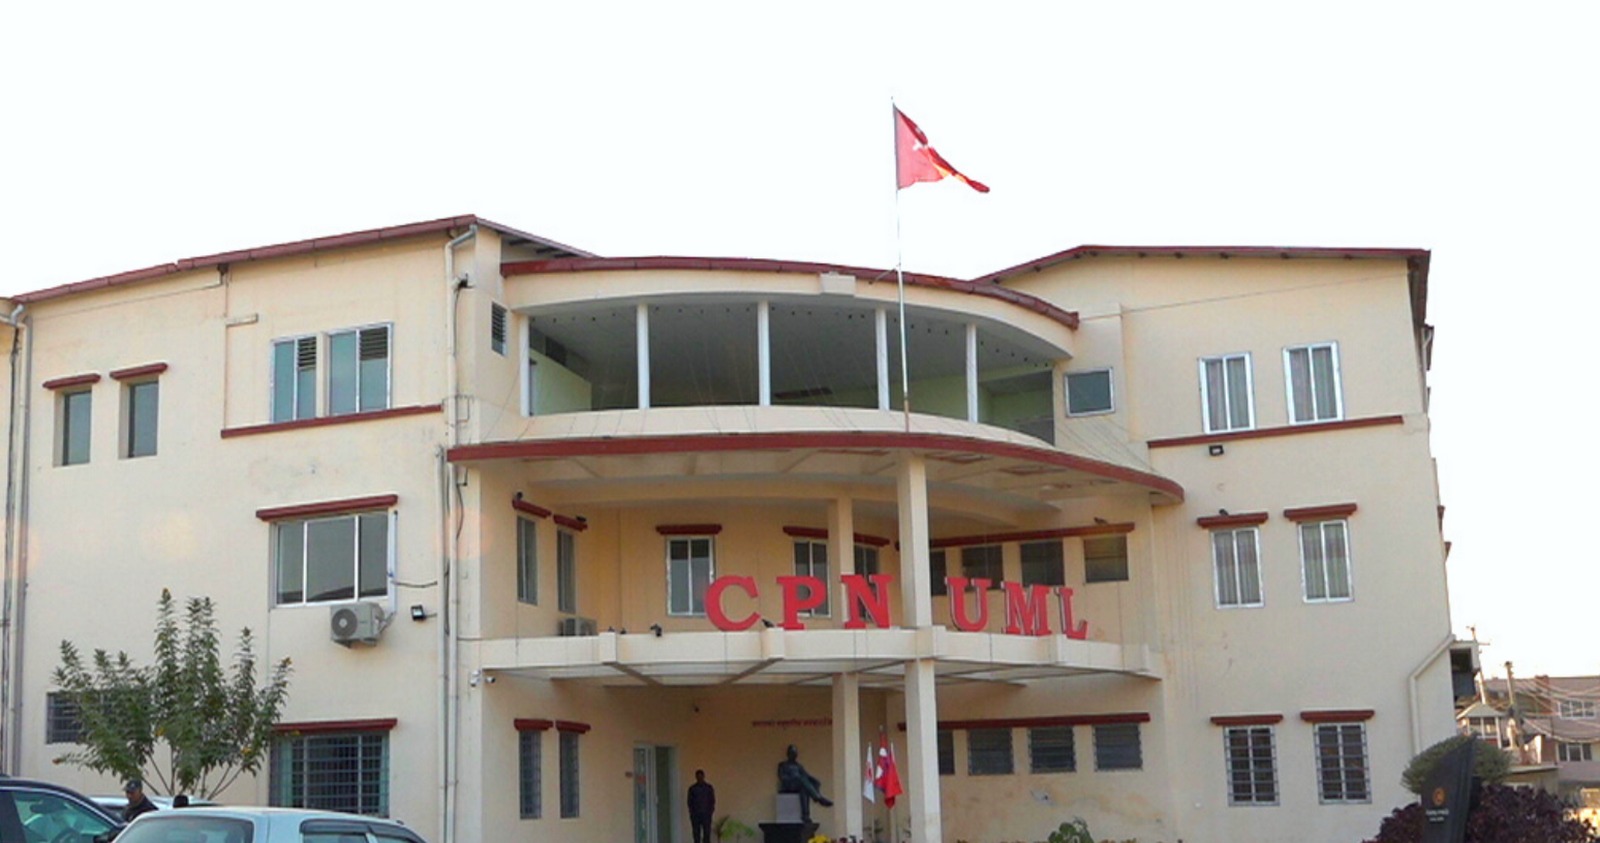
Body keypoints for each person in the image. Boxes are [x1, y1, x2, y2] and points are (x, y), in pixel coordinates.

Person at [775, 745, 831, 823]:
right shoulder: (783, 765)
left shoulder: (799, 766)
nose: (793, 755)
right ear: (788, 754)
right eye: (792, 753)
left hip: (798, 785)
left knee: (805, 789)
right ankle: (818, 798)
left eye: (795, 753)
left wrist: (814, 780)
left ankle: (805, 815)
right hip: (788, 785)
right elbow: (782, 777)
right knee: (801, 780)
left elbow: (806, 776)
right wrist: (793, 778)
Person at [686, 769, 715, 843]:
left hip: (706, 814)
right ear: (696, 777)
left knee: (707, 834)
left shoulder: (708, 788)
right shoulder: (692, 789)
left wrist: (710, 812)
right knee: (696, 834)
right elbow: (689, 802)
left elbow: (712, 801)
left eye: (701, 776)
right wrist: (692, 813)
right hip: (695, 815)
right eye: (698, 777)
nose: (699, 778)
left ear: (703, 776)